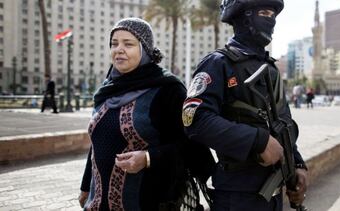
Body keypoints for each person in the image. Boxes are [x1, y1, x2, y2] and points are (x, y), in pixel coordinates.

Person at [182, 0, 308, 210]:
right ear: (244, 16)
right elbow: (194, 119)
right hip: (237, 195)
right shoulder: (218, 63)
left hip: (273, 196)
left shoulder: (270, 69)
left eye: (274, 15)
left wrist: (297, 164)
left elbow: (282, 124)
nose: (272, 21)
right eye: (265, 13)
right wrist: (257, 141)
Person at [78, 17, 213, 211]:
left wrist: (149, 158)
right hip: (98, 204)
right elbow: (97, 144)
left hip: (150, 202)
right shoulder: (107, 90)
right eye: (114, 44)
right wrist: (85, 187)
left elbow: (192, 146)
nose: (119, 49)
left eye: (128, 44)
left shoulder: (168, 89)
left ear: (145, 49)